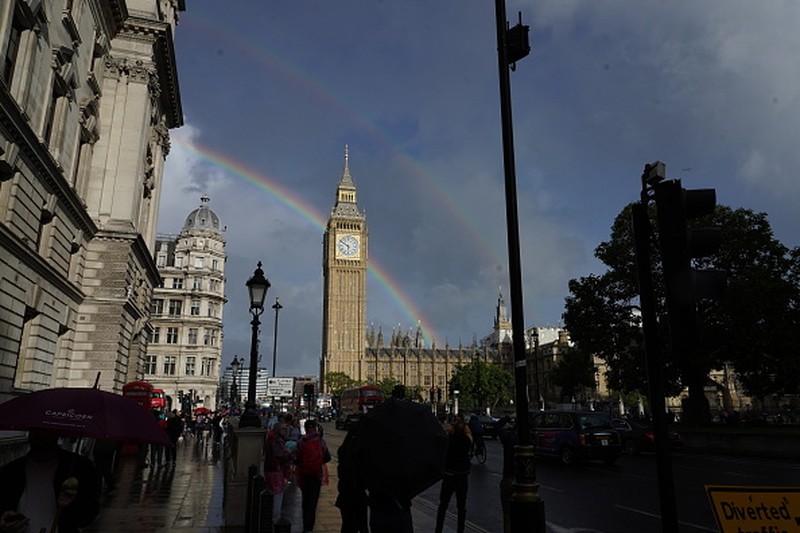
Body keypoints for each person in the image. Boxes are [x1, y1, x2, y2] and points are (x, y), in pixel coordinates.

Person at [0, 429, 101, 533]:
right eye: (34, 427)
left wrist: (72, 503)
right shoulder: (10, 471)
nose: (38, 433)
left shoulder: (78, 468)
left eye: (46, 429)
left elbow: (87, 517)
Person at [435, 412, 473, 533]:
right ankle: (460, 530)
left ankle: (438, 529)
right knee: (461, 507)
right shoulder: (466, 441)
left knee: (443, 506)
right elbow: (470, 439)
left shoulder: (449, 440)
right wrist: (466, 431)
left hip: (449, 476)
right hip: (462, 477)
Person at [295, 419, 331, 532]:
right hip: (317, 474)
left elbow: (296, 458)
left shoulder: (302, 441)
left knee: (305, 499)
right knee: (313, 501)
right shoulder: (321, 441)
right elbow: (327, 457)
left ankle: (305, 524)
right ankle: (310, 526)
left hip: (304, 474)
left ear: (305, 429)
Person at [335, 426, 368, 533]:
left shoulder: (343, 451)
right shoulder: (360, 454)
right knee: (362, 525)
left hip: (345, 496)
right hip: (357, 496)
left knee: (347, 525)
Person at [264, 422, 292, 524]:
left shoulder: (273, 438)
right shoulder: (277, 440)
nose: (285, 431)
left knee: (275, 492)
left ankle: (273, 516)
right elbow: (281, 455)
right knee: (277, 493)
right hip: (275, 470)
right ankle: (275, 517)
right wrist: (289, 454)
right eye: (282, 429)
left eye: (285, 429)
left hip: (272, 469)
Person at [497, 415, 518, 533]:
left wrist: (508, 417)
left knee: (508, 516)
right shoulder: (528, 439)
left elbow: (497, 426)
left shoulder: (509, 438)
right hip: (524, 484)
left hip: (508, 480)